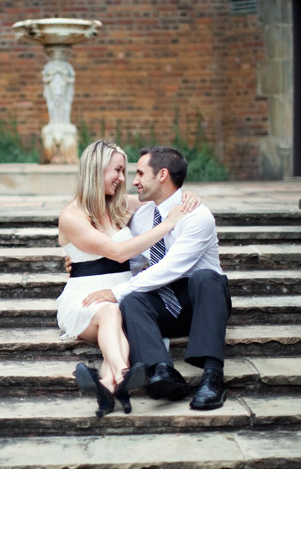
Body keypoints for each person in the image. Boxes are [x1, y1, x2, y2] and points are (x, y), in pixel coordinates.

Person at [82, 146, 232, 410]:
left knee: (207, 278)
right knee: (133, 302)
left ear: (162, 174)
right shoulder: (143, 216)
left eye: (140, 173)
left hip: (202, 305)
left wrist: (118, 291)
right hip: (166, 304)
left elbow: (172, 267)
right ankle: (163, 370)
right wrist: (85, 263)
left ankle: (213, 377)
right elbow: (133, 259)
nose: (135, 180)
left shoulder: (198, 216)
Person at [57, 140, 199, 417]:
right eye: (118, 170)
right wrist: (168, 223)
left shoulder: (121, 204)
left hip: (124, 291)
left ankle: (109, 387)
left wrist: (187, 195)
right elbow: (118, 252)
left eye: (125, 171)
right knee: (110, 312)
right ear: (96, 170)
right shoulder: (71, 216)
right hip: (86, 296)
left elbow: (164, 195)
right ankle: (125, 371)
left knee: (121, 317)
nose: (124, 179)